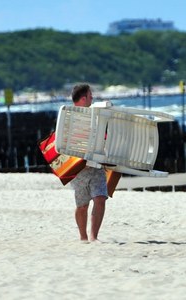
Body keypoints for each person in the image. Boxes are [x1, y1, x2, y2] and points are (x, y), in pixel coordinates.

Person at [68, 84, 109, 242]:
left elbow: (103, 137)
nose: (92, 99)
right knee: (82, 205)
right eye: (90, 96)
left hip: (96, 165)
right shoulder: (70, 116)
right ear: (83, 98)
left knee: (100, 199)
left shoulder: (94, 116)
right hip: (78, 167)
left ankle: (94, 236)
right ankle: (83, 237)